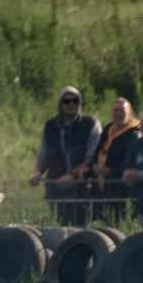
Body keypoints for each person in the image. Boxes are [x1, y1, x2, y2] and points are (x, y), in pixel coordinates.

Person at [30, 86, 97, 222]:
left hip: (82, 186)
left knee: (82, 228)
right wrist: (37, 173)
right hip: (55, 185)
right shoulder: (50, 126)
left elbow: (92, 156)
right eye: (67, 101)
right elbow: (43, 154)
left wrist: (72, 175)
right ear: (60, 104)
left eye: (75, 101)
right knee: (59, 225)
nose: (71, 104)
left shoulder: (90, 124)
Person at [86, 96, 139, 223]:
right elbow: (98, 152)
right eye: (115, 110)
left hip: (122, 189)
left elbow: (133, 164)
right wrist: (90, 169)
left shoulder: (135, 134)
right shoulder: (107, 130)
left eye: (122, 111)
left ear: (129, 113)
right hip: (102, 188)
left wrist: (109, 171)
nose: (118, 114)